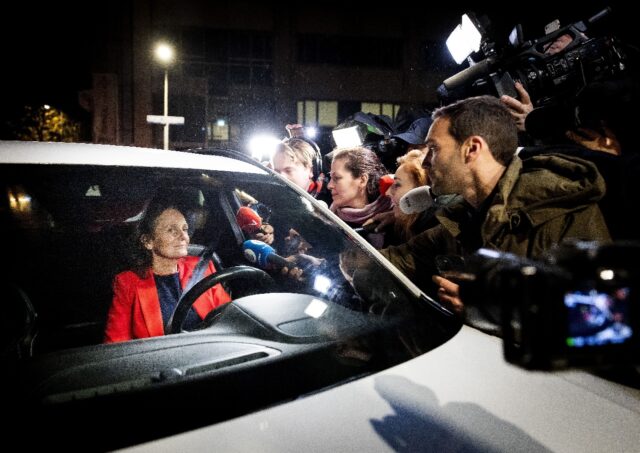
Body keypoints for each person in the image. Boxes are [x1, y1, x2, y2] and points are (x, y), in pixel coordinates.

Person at [377, 95, 611, 313]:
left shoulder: (562, 214)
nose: (425, 162)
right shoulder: (461, 219)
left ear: (472, 149)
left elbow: (598, 319)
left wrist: (487, 309)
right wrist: (345, 255)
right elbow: (397, 259)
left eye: (434, 149)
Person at [104, 197, 231, 343]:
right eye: (172, 230)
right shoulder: (127, 282)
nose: (184, 236)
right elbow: (115, 343)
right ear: (148, 241)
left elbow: (228, 317)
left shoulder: (202, 267)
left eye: (185, 229)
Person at [327, 147, 392, 248]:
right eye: (331, 178)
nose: (329, 185)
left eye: (336, 178)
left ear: (362, 180)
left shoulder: (394, 217)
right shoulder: (329, 221)